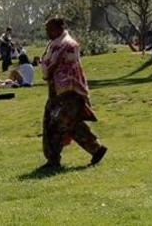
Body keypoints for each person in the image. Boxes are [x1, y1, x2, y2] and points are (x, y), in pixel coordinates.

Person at [39, 17, 106, 171]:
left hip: (69, 92)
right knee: (70, 124)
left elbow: (64, 68)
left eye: (49, 29)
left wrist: (50, 68)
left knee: (57, 124)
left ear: (59, 28)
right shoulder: (54, 45)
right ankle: (96, 148)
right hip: (57, 92)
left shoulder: (68, 45)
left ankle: (53, 159)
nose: (47, 32)